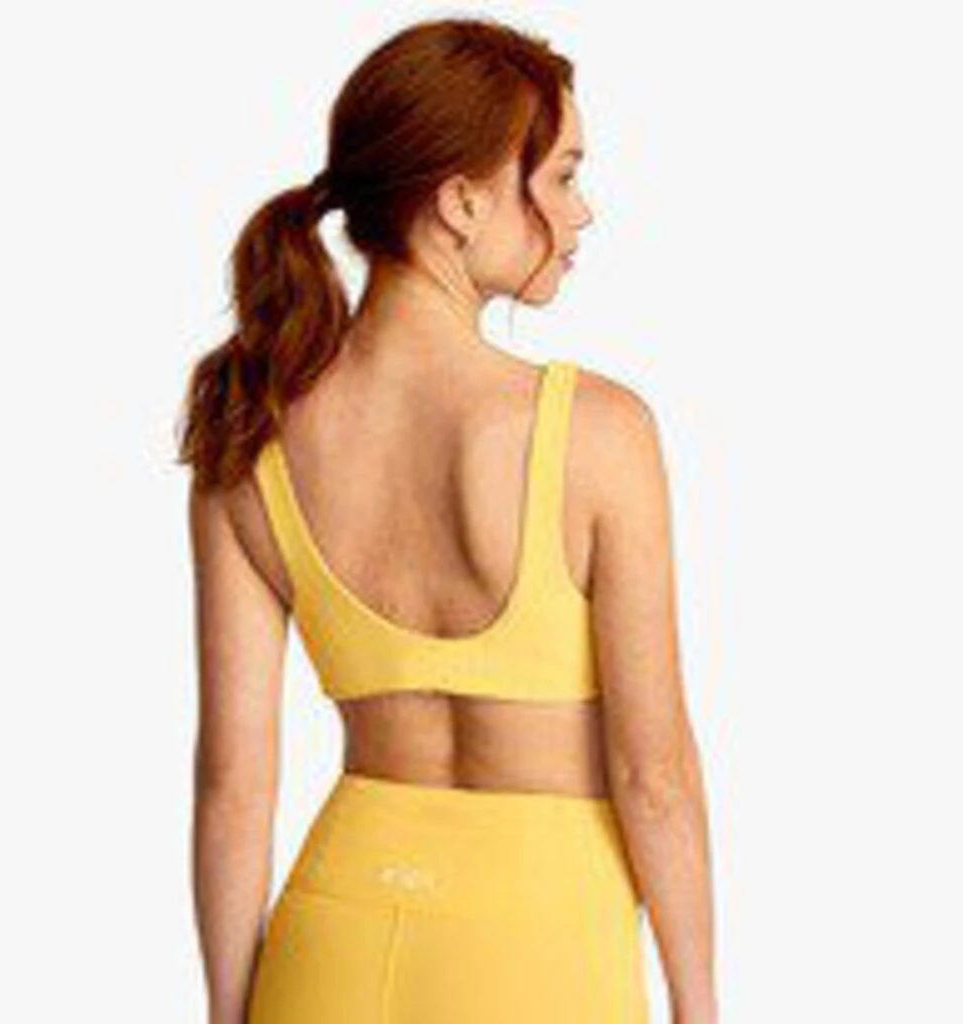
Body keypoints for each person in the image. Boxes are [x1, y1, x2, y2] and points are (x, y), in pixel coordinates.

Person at [178, 15, 717, 1024]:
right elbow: (655, 776)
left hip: (330, 943)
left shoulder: (250, 432)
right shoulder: (599, 432)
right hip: (541, 949)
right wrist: (699, 1002)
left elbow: (232, 784)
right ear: (462, 202)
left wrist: (229, 1011)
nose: (583, 210)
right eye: (561, 176)